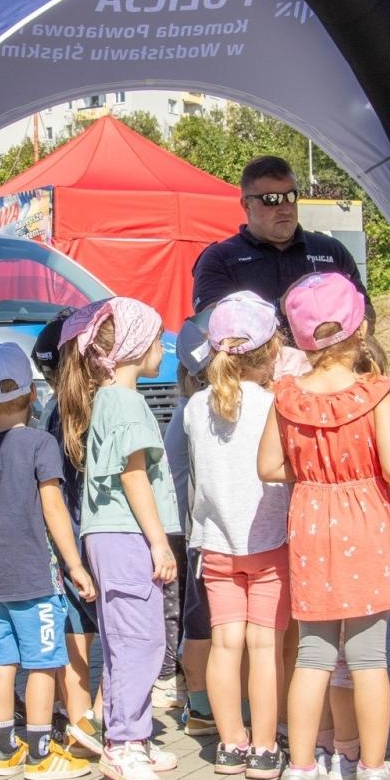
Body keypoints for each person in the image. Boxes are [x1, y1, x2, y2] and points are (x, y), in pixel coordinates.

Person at [259, 273, 390, 780]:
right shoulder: (376, 394)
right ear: (359, 328)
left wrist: (311, 475)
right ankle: (372, 773)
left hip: (311, 522)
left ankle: (300, 772)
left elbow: (268, 466)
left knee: (313, 657)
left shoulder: (287, 396)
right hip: (365, 520)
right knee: (369, 659)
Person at [57, 297, 180, 780]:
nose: (161, 347)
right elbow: (135, 477)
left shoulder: (106, 397)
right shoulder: (126, 402)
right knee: (142, 641)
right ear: (132, 347)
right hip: (127, 535)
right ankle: (125, 743)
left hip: (109, 536)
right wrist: (160, 544)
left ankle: (132, 733)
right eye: (155, 338)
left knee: (123, 638)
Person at [0, 343, 96, 780]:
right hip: (37, 577)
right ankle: (40, 751)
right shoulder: (41, 443)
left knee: (0, 663)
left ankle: (5, 750)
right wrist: (76, 566)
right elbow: (54, 508)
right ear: (33, 394)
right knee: (42, 663)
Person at [186, 292, 292, 780]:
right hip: (270, 542)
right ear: (271, 349)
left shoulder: (194, 409)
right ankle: (266, 746)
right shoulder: (277, 404)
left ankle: (230, 743)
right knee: (264, 647)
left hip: (215, 544)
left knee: (225, 645)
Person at [29, 309, 103, 757]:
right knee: (105, 628)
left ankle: (77, 715)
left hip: (65, 537)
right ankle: (94, 715)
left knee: (74, 624)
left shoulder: (54, 410)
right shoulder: (90, 408)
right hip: (92, 533)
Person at [191, 155, 372, 320]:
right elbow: (209, 326)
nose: (285, 208)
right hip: (258, 357)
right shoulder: (220, 259)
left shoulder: (330, 250)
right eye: (272, 199)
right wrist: (280, 307)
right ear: (247, 205)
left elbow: (367, 314)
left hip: (327, 356)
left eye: (291, 196)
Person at [167, 316, 219, 737]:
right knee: (201, 623)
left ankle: (197, 699)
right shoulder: (197, 414)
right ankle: (200, 704)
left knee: (200, 622)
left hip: (196, 532)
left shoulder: (188, 409)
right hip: (199, 534)